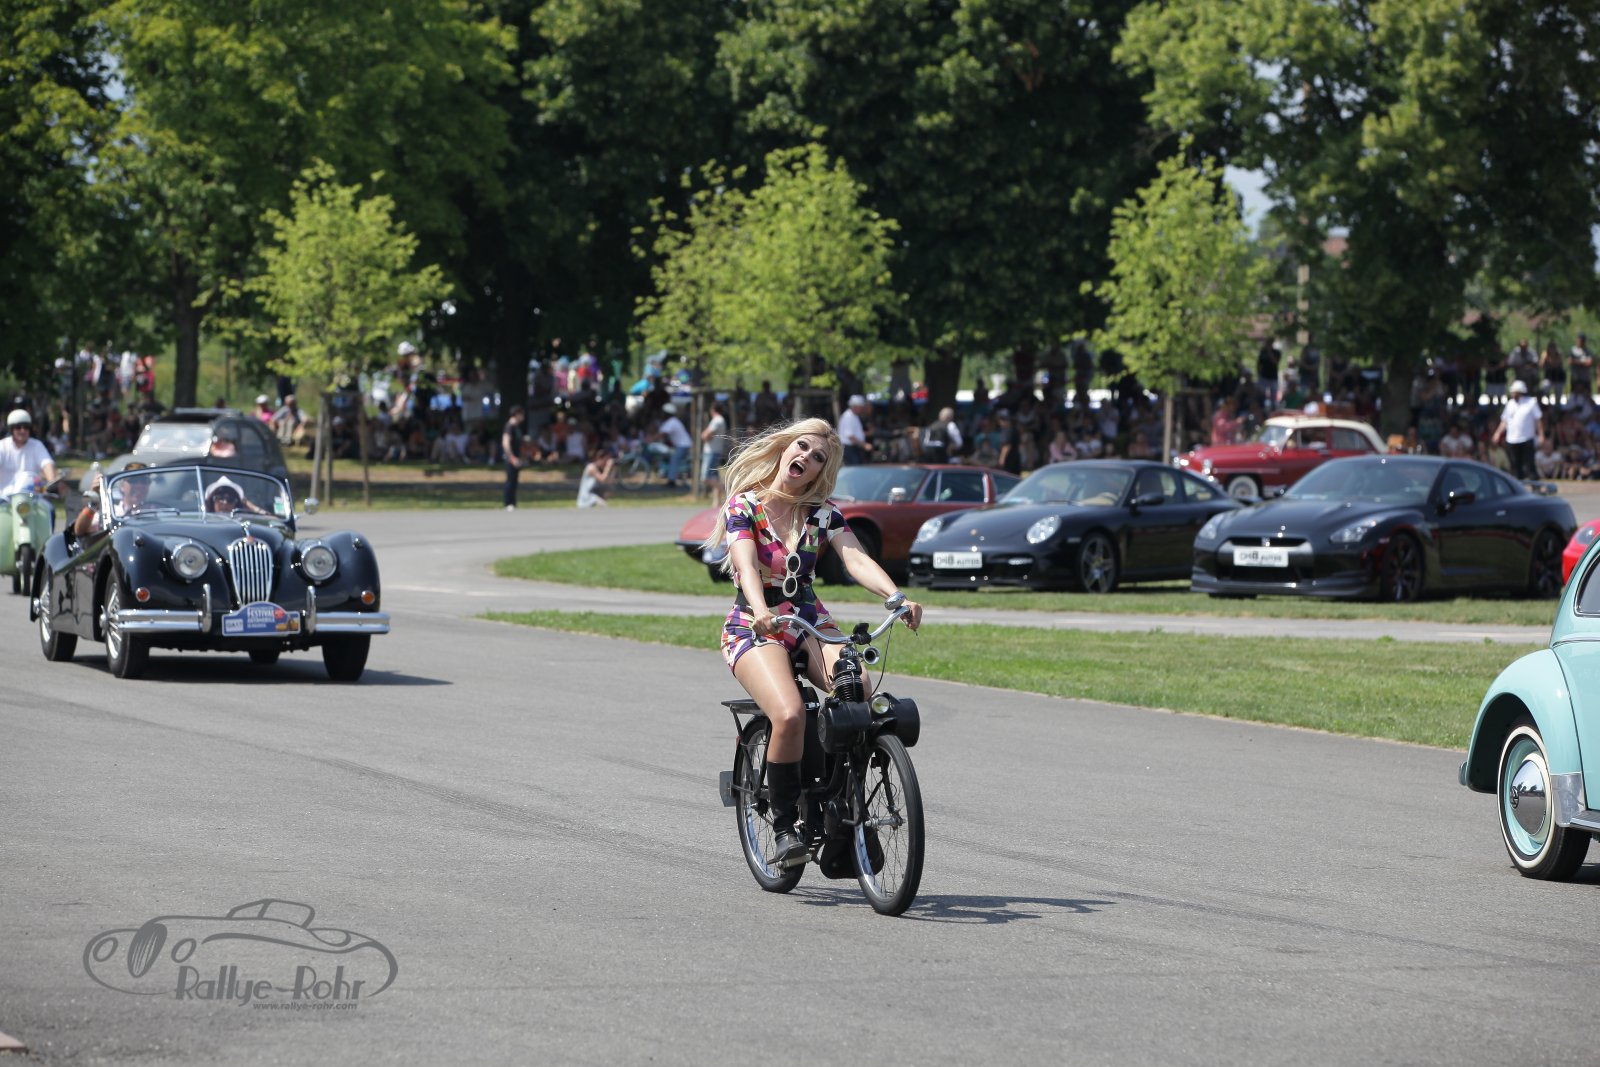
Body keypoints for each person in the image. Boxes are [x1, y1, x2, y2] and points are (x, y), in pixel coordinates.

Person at [702, 418, 922, 864]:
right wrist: (760, 609)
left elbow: (855, 559)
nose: (806, 457)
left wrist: (896, 597)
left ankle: (843, 811)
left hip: (809, 618)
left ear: (822, 471)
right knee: (788, 714)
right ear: (785, 449)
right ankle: (785, 828)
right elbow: (745, 565)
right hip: (753, 622)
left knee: (857, 689)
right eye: (801, 446)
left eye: (818, 456)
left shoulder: (823, 513)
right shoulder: (744, 506)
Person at [1, 409, 60, 499]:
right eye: (18, 427)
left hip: (32, 499)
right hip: (5, 500)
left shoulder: (37, 445)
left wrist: (52, 482)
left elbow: (47, 464)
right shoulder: (2, 446)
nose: (22, 430)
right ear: (11, 429)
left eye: (26, 427)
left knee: (49, 508)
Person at [1492, 379, 1544, 480]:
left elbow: (1538, 420)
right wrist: (1497, 433)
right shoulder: (1510, 404)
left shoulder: (1531, 402)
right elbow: (1504, 421)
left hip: (1527, 438)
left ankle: (1534, 484)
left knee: (1529, 464)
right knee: (1515, 465)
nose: (1512, 393)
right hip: (1512, 439)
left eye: (1514, 392)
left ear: (1520, 392)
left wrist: (1541, 435)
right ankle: (1518, 483)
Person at [656, 402, 692, 488]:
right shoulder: (672, 421)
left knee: (674, 459)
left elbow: (662, 434)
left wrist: (649, 439)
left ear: (667, 413)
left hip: (683, 445)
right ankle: (665, 472)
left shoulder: (671, 422)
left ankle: (671, 480)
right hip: (682, 445)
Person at [700, 401, 730, 500]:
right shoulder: (721, 420)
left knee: (705, 478)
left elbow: (706, 435)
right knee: (714, 477)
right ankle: (716, 503)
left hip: (711, 451)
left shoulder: (717, 420)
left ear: (713, 410)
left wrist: (704, 435)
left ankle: (726, 492)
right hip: (715, 450)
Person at [501, 406, 526, 510]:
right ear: (517, 414)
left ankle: (513, 502)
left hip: (516, 457)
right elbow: (505, 442)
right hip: (511, 457)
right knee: (510, 480)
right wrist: (511, 457)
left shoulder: (516, 427)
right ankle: (508, 503)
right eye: (522, 414)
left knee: (514, 480)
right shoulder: (509, 426)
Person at [838, 395, 870, 465]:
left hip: (852, 447)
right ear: (855, 406)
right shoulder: (848, 417)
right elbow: (850, 436)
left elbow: (856, 432)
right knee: (855, 467)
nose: (861, 408)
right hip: (849, 448)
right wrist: (864, 445)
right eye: (860, 406)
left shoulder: (854, 416)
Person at [1572, 333, 1595, 399]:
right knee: (1575, 395)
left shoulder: (1588, 351)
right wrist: (1582, 362)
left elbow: (1590, 362)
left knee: (1587, 395)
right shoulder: (1573, 350)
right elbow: (1571, 361)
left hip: (1585, 378)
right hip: (1576, 378)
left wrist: (1577, 361)